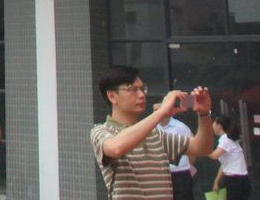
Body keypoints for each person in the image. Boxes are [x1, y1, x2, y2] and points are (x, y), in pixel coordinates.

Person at [90, 65, 214, 200]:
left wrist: (204, 114)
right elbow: (116, 148)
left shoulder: (155, 134)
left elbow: (202, 148)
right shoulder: (100, 131)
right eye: (133, 90)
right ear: (112, 96)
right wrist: (161, 113)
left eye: (143, 89)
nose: (142, 95)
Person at [209, 114, 251, 200]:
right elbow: (224, 164)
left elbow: (214, 155)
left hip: (236, 181)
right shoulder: (228, 140)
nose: (212, 125)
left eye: (214, 123)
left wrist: (201, 147)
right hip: (239, 180)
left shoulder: (226, 140)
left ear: (219, 126)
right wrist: (216, 182)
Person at [158, 114, 194, 200]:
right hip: (160, 175)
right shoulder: (151, 127)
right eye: (155, 110)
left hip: (180, 174)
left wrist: (189, 165)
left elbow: (192, 150)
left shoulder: (181, 127)